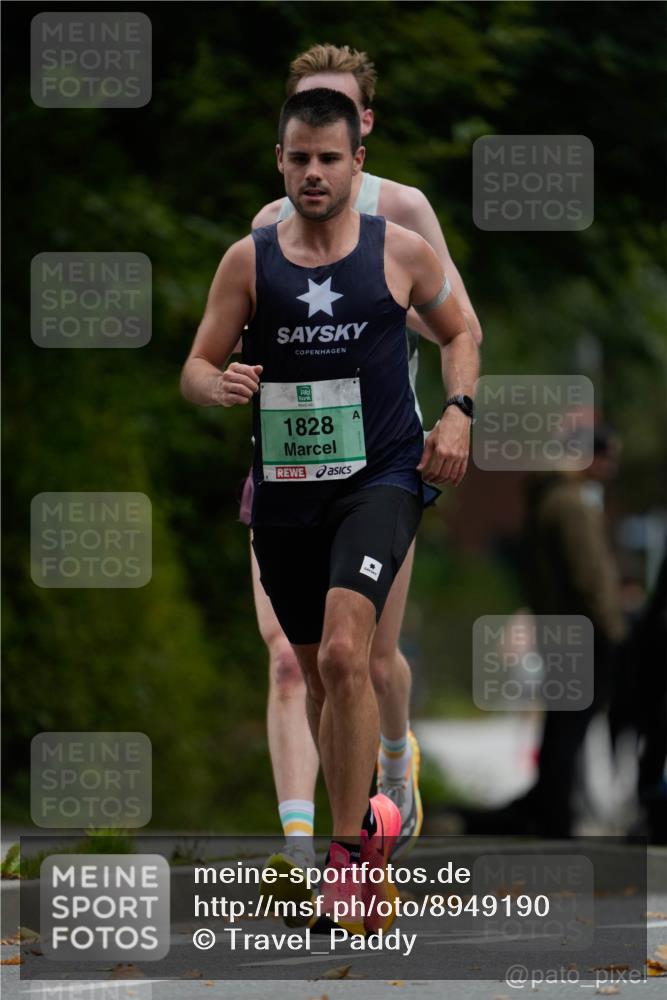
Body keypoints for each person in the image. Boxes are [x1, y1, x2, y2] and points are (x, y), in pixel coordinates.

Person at [181, 87, 479, 932]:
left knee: (349, 654)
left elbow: (461, 331)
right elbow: (196, 364)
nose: (313, 173)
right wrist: (219, 384)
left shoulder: (403, 249)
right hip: (284, 490)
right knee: (314, 672)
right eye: (299, 158)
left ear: (358, 163)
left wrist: (456, 414)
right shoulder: (249, 259)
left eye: (329, 158)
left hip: (380, 478)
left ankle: (345, 868)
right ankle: (370, 823)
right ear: (279, 162)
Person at [459, 427, 628, 838]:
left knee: (561, 724)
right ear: (588, 457)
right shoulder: (572, 504)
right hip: (581, 632)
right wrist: (614, 629)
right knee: (569, 728)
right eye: (607, 459)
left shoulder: (545, 497)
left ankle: (549, 807)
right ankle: (556, 816)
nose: (611, 469)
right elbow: (589, 577)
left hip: (556, 627)